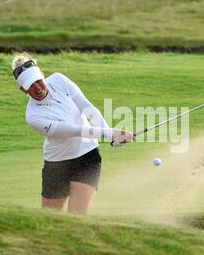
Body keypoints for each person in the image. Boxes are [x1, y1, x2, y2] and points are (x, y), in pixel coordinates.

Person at [11, 53, 133, 215]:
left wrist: (110, 135)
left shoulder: (59, 80)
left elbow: (87, 108)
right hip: (57, 166)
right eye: (30, 86)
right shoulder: (33, 116)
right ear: (23, 90)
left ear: (42, 76)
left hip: (87, 157)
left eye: (38, 81)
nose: (37, 88)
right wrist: (110, 133)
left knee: (77, 217)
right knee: (51, 220)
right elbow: (74, 130)